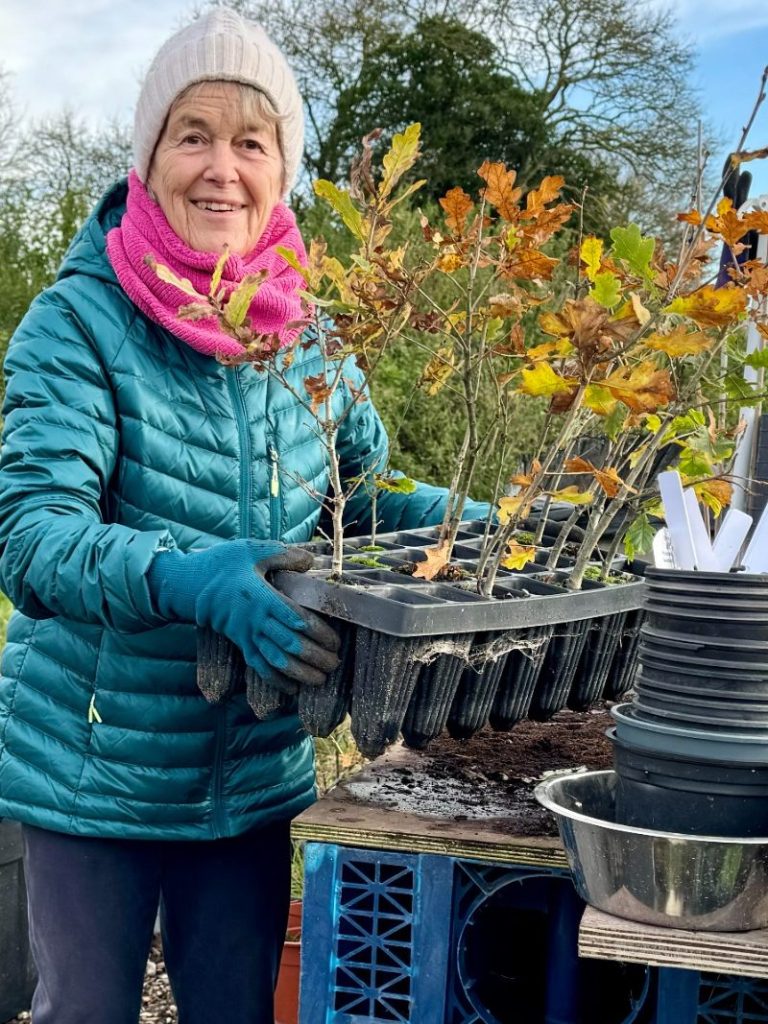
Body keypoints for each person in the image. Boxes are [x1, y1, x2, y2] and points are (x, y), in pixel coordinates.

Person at [0, 10, 488, 1024]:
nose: (222, 167)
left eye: (251, 141)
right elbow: (32, 536)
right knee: (86, 1011)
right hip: (96, 768)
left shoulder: (308, 332)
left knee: (234, 1007)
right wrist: (192, 576)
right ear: (150, 158)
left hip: (254, 760)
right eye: (193, 134)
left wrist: (463, 520)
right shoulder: (77, 322)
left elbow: (354, 504)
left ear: (282, 170)